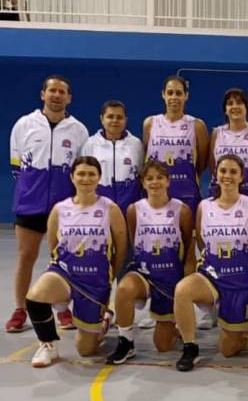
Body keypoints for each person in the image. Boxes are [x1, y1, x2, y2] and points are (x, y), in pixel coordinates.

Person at [25, 156, 127, 367]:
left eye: (91, 174)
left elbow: (121, 249)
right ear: (72, 177)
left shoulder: (110, 209)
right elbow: (54, 246)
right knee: (35, 298)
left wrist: (109, 278)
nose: (86, 178)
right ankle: (47, 345)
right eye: (81, 174)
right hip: (65, 273)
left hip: (95, 283)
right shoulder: (60, 209)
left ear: (99, 178)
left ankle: (104, 321)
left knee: (86, 350)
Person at [6, 75, 89, 333]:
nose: (56, 95)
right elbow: (17, 166)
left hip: (64, 208)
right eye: (52, 90)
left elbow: (81, 170)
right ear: (43, 94)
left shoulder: (79, 130)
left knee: (63, 260)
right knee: (25, 257)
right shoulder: (24, 125)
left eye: (62, 92)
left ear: (69, 98)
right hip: (29, 204)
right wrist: (33, 190)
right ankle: (20, 309)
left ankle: (62, 308)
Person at [173, 155, 248, 372]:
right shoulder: (204, 206)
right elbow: (202, 243)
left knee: (227, 349)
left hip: (240, 281)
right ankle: (190, 347)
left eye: (233, 172)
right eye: (223, 171)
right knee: (182, 290)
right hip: (212, 274)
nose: (227, 176)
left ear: (242, 177)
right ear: (216, 174)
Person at [105, 161, 194, 364]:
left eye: (160, 178)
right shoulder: (134, 210)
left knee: (163, 346)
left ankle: (176, 324)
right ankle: (126, 342)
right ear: (143, 183)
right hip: (144, 273)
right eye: (149, 178)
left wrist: (185, 286)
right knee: (124, 288)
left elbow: (188, 249)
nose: (155, 182)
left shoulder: (182, 210)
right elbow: (135, 243)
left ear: (168, 181)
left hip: (170, 279)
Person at [143, 75, 209, 216]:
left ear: (186, 96)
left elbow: (202, 163)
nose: (174, 97)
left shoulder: (197, 125)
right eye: (170, 93)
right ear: (163, 94)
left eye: (178, 93)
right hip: (156, 194)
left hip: (187, 193)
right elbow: (147, 158)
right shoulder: (150, 123)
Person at [81, 100, 144, 216]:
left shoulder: (136, 144)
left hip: (129, 209)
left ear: (125, 120)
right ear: (102, 119)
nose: (115, 120)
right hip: (98, 209)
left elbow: (141, 173)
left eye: (119, 117)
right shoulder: (90, 144)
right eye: (110, 117)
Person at [208, 87, 248, 204]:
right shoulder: (217, 133)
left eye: (239, 102)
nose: (235, 106)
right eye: (230, 103)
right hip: (220, 196)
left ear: (246, 107)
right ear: (225, 110)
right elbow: (212, 166)